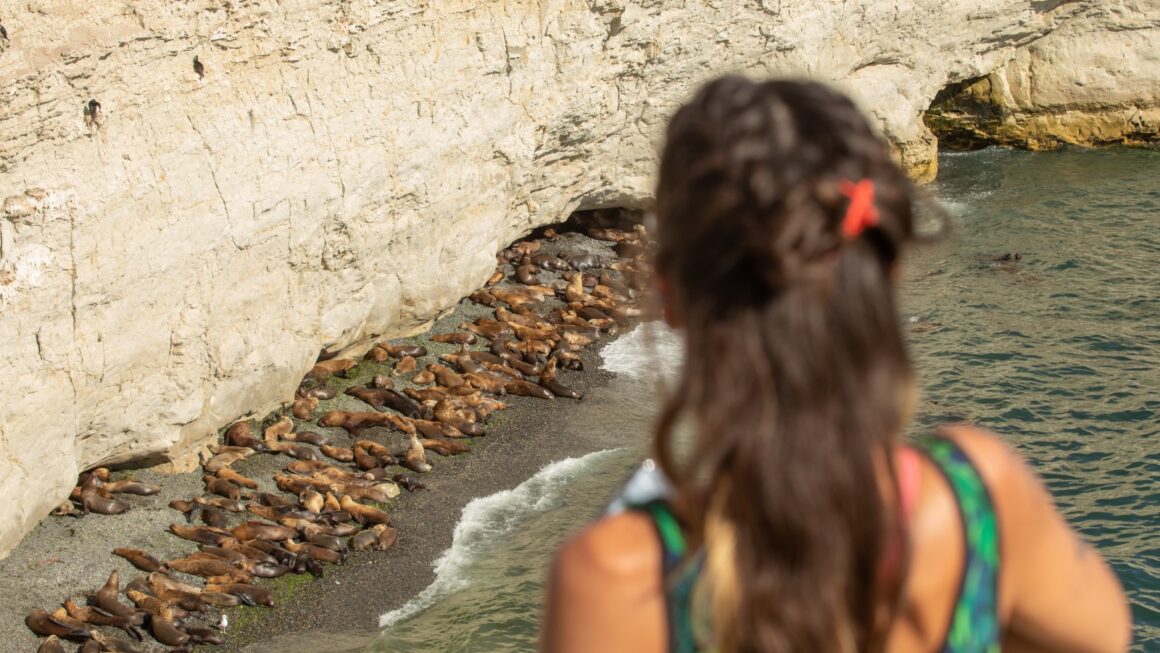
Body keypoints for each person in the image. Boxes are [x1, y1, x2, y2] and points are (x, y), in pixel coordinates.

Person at [540, 76, 1130, 653]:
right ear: (888, 273)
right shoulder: (979, 500)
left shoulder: (621, 578)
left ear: (669, 294)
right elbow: (1103, 635)